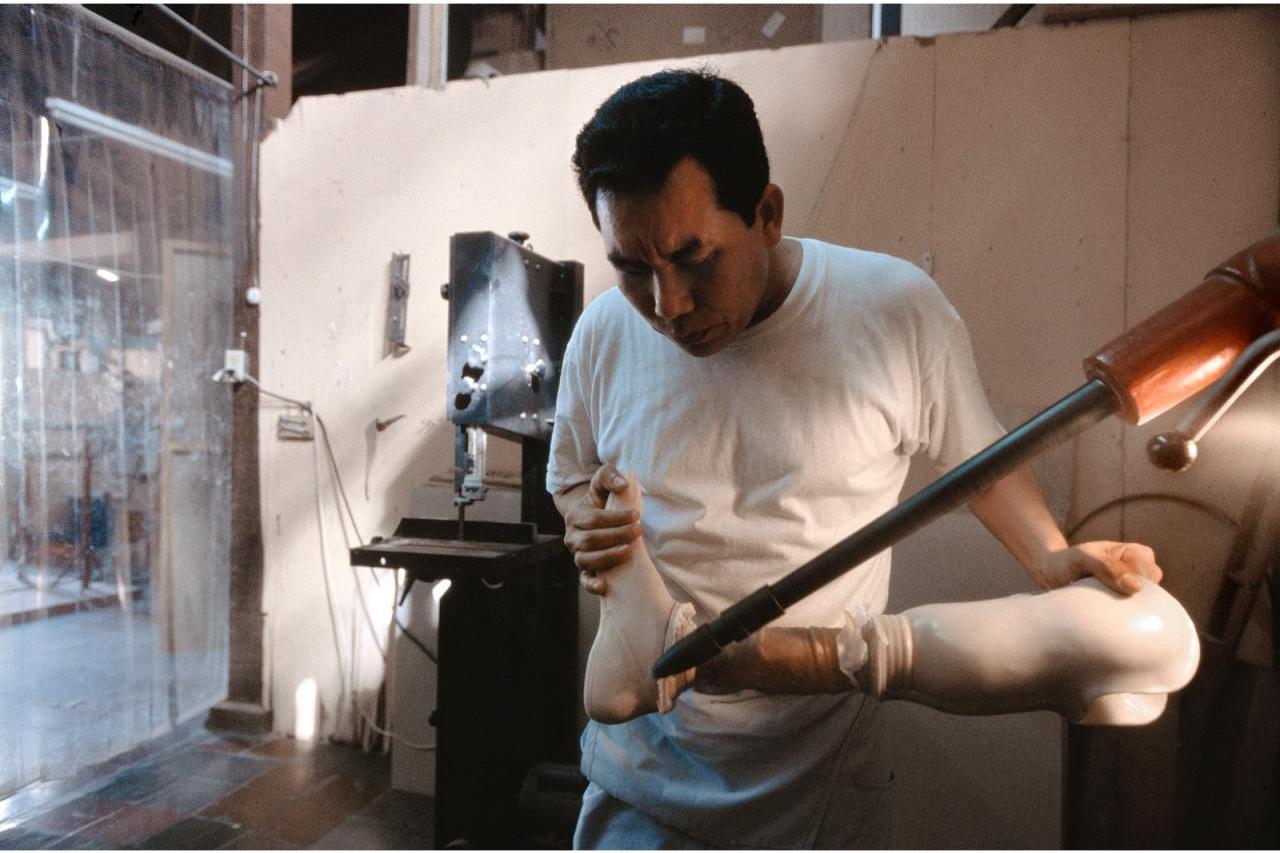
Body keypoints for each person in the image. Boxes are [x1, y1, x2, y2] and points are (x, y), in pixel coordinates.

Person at [546, 68, 1163, 849]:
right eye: (632, 268)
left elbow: (981, 462)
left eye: (694, 257)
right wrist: (591, 533)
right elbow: (571, 474)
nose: (668, 306)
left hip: (817, 776)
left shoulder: (892, 310)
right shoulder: (603, 334)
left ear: (766, 213)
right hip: (644, 777)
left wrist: (1052, 557)